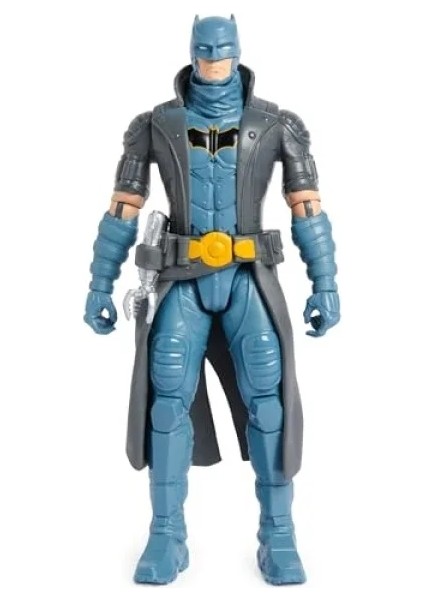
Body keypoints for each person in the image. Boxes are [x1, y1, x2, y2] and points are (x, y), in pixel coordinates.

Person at [84, 14, 340, 586]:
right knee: (166, 403)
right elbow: (122, 209)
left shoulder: (276, 124)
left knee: (269, 404)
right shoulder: (156, 125)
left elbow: (307, 208)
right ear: (193, 53)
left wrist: (325, 281)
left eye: (223, 52)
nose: (214, 61)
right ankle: (166, 534)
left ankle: (278, 535)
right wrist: (100, 281)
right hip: (183, 279)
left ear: (238, 52)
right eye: (206, 51)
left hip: (248, 278)